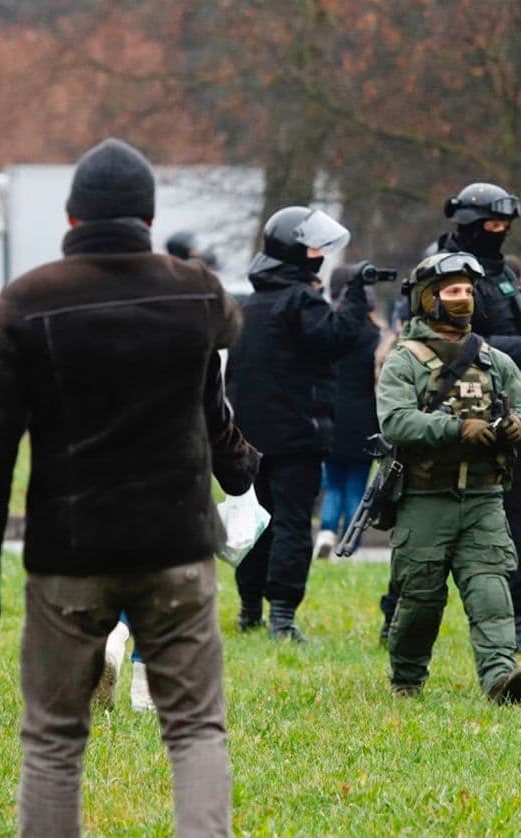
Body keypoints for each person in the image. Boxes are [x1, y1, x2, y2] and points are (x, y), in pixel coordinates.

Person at [0, 137, 260, 837]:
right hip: (176, 545)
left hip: (69, 552)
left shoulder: (27, 302)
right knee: (195, 730)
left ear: (71, 220)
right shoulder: (195, 291)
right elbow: (217, 376)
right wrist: (240, 472)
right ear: (149, 220)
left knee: (55, 740)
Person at [379, 183, 521, 655]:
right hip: (445, 417)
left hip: (503, 416)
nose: (498, 233)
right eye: (490, 225)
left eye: (505, 226)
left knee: (518, 522)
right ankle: (398, 616)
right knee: (423, 535)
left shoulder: (503, 275)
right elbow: (444, 339)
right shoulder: (443, 271)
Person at [377, 251, 521, 701]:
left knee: (491, 590)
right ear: (429, 299)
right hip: (425, 499)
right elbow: (395, 421)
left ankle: (499, 678)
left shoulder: (494, 360)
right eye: (453, 291)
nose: (464, 299)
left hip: (484, 498)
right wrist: (456, 428)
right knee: (421, 601)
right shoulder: (404, 361)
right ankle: (406, 680)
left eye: (469, 291)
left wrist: (520, 426)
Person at [225, 205, 372, 641]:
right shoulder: (300, 299)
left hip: (250, 439)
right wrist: (357, 292)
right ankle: (283, 618)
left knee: (255, 523)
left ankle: (250, 610)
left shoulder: (251, 304)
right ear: (293, 251)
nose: (318, 254)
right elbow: (338, 337)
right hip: (297, 437)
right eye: (311, 247)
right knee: (291, 524)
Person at [313, 263, 390, 558]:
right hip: (365, 420)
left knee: (332, 482)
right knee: (357, 483)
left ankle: (326, 530)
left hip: (332, 415)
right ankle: (351, 540)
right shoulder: (375, 336)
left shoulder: (328, 329)